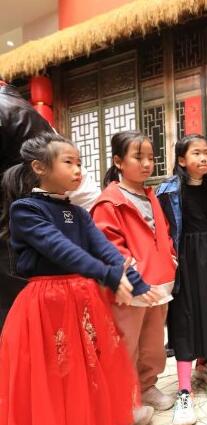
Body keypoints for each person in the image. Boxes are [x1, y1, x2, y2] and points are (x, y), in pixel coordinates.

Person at [0, 133, 154, 425]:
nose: (78, 170)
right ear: (40, 167)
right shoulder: (26, 210)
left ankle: (90, 423)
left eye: (79, 163)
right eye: (69, 162)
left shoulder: (79, 213)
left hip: (82, 296)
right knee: (57, 367)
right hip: (47, 301)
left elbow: (104, 247)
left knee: (90, 362)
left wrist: (134, 280)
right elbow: (61, 249)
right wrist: (108, 275)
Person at [0, 78, 101, 331]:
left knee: (19, 322)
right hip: (29, 231)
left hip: (12, 235)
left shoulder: (7, 110)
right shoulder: (23, 110)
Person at [91, 131, 177, 415]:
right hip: (131, 286)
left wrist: (171, 259)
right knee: (126, 343)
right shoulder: (109, 202)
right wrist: (133, 273)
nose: (147, 164)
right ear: (118, 161)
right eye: (138, 157)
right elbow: (109, 247)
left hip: (159, 282)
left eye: (151, 158)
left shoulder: (151, 195)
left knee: (153, 342)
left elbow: (163, 232)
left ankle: (147, 386)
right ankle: (124, 398)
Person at [156, 134, 207, 425]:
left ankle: (203, 364)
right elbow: (161, 231)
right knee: (184, 318)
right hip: (183, 261)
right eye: (196, 153)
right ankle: (184, 391)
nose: (204, 158)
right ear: (182, 160)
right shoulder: (168, 191)